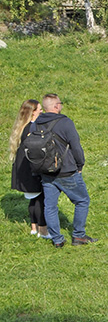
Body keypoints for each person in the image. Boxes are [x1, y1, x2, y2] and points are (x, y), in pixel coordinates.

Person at [35, 94, 94, 247]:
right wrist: (80, 165)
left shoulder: (36, 124)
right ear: (56, 106)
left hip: (46, 171)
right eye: (60, 103)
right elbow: (76, 147)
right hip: (67, 171)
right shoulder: (65, 123)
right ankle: (78, 236)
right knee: (82, 201)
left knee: (50, 206)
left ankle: (57, 240)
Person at [9, 99, 47, 238]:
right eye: (39, 110)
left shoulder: (22, 127)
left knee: (33, 199)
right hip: (31, 170)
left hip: (23, 169)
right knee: (41, 199)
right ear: (33, 113)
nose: (42, 112)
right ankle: (43, 231)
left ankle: (33, 228)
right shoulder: (32, 128)